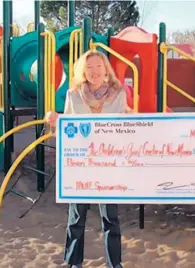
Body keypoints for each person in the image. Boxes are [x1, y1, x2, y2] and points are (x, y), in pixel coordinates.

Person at [45, 50, 128, 268]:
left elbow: (125, 126)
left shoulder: (118, 94)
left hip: (108, 164)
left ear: (105, 69)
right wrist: (56, 121)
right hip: (80, 165)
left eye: (98, 67)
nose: (94, 72)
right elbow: (66, 128)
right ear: (83, 71)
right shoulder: (73, 95)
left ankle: (114, 263)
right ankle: (74, 262)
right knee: (76, 217)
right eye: (89, 67)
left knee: (110, 217)